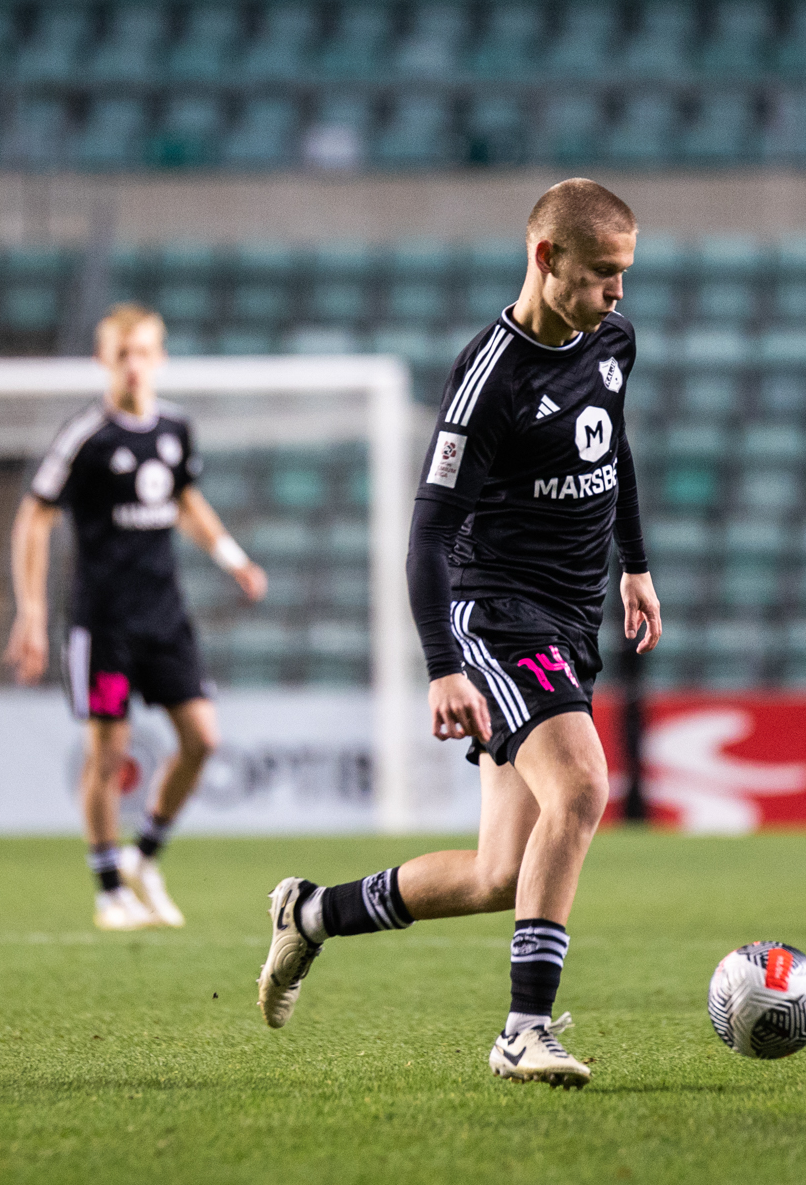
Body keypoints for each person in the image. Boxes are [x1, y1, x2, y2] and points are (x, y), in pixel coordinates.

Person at [257, 178, 661, 1089]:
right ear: (546, 258)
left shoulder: (613, 341)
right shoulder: (489, 379)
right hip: (497, 612)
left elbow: (613, 445)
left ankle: (312, 913)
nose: (619, 293)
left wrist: (634, 563)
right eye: (603, 273)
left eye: (626, 274)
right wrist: (444, 667)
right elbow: (428, 537)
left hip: (569, 618)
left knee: (496, 873)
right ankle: (524, 1029)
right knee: (585, 787)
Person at [3, 304, 268, 932]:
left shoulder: (175, 428)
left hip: (165, 618)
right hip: (105, 626)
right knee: (109, 754)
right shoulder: (85, 436)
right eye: (122, 353)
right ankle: (107, 892)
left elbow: (185, 501)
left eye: (144, 352)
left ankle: (143, 859)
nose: (133, 365)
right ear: (104, 360)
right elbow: (33, 518)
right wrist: (32, 612)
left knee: (203, 740)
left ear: (161, 358)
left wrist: (233, 558)